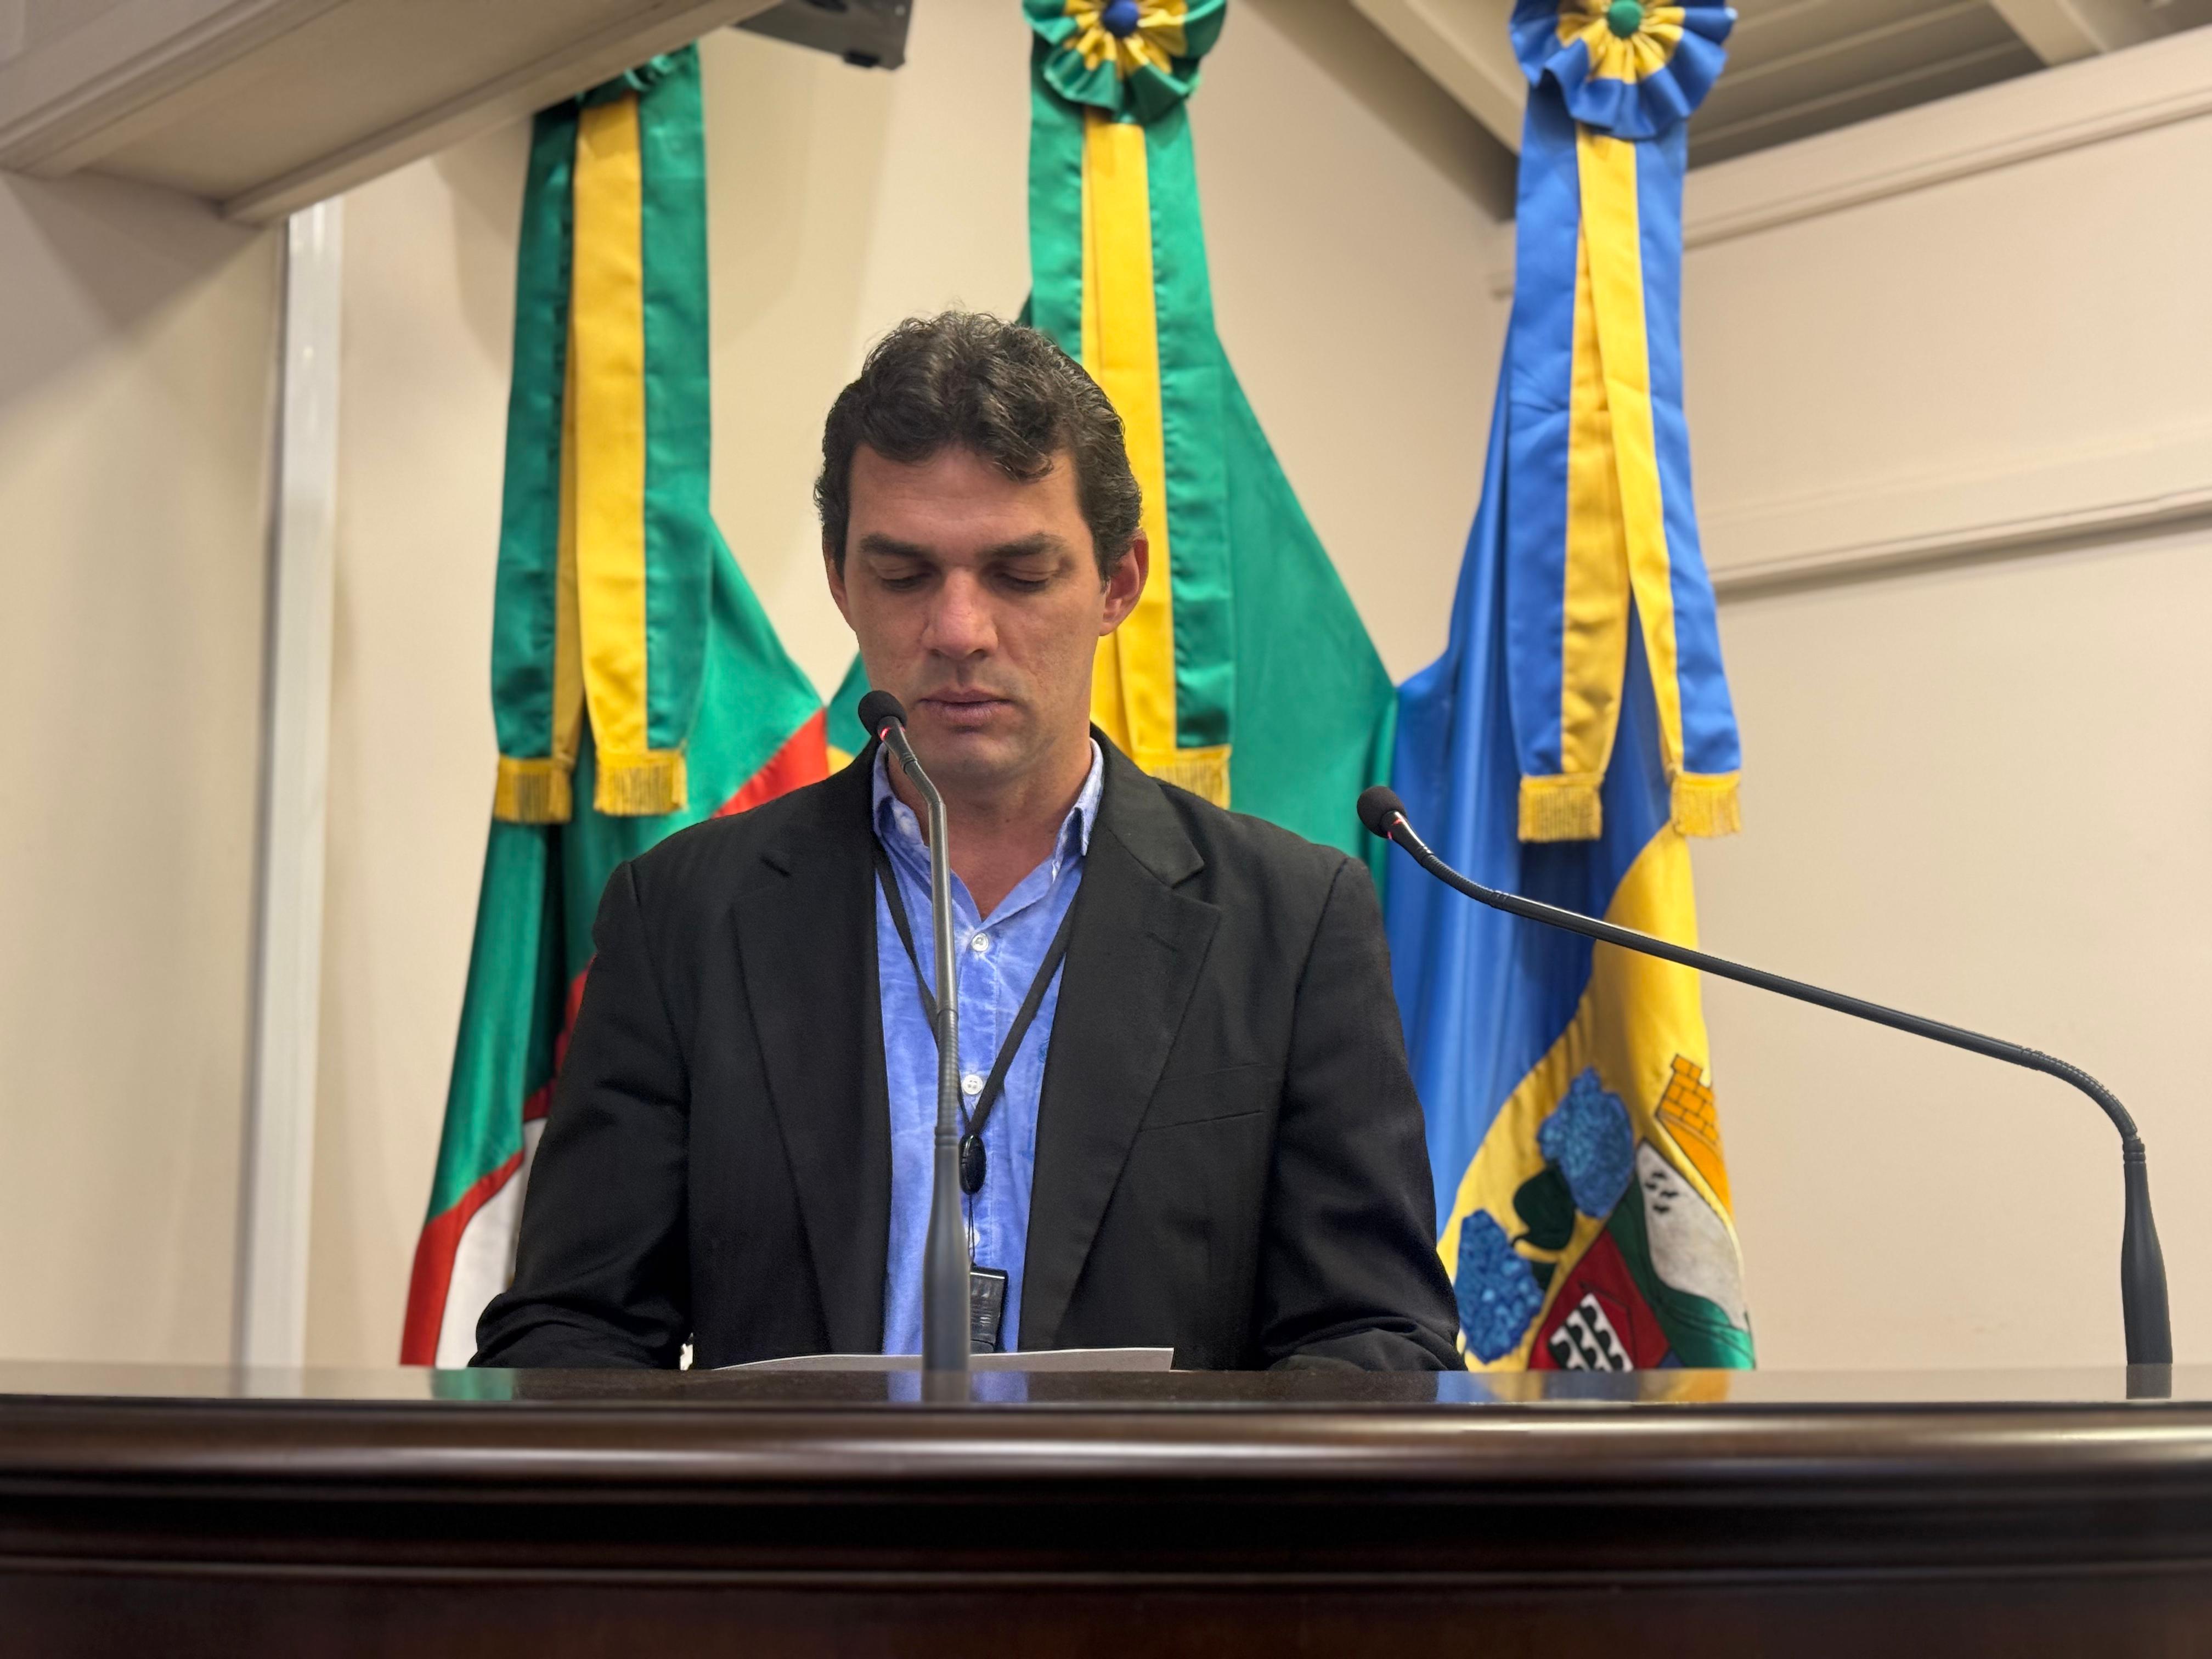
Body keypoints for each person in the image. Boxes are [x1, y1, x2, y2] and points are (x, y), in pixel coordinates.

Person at [475, 311, 1460, 1371]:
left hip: (1155, 1491)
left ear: (1119, 583)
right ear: (841, 581)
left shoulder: (1293, 923)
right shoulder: (683, 917)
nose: (958, 631)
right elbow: (569, 1331)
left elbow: (1377, 1336)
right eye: (904, 576)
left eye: (1020, 575)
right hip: (796, 1490)